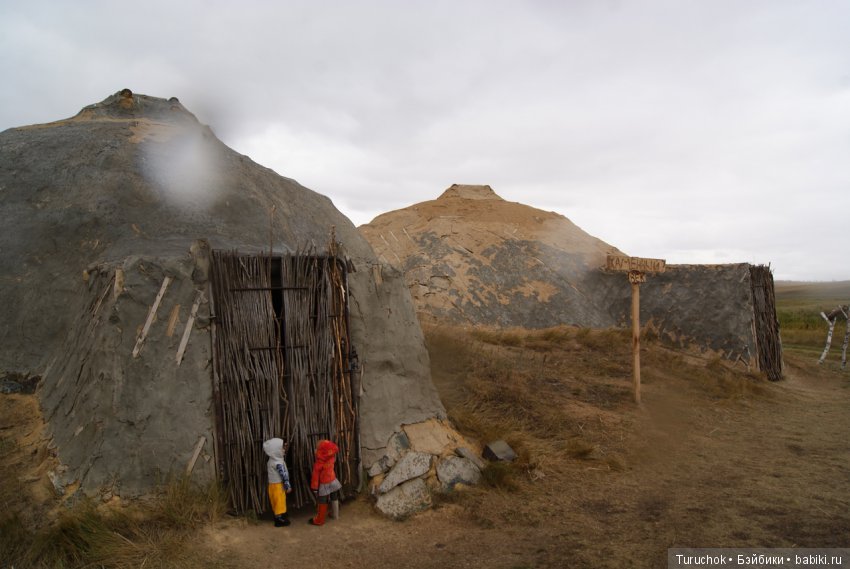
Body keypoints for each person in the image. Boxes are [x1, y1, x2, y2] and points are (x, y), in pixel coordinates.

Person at [308, 439, 342, 526]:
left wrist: (315, 488)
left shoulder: (319, 464)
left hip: (324, 483)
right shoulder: (332, 458)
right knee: (334, 496)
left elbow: (315, 477)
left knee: (322, 500)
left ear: (321, 452)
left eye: (317, 448)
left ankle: (320, 520)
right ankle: (335, 514)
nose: (315, 450)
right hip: (333, 480)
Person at [263, 438, 293, 527]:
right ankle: (279, 519)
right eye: (282, 448)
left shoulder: (271, 460)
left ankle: (280, 515)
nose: (284, 450)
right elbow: (284, 475)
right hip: (278, 486)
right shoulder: (278, 463)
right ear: (276, 451)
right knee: (280, 501)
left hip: (272, 485)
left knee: (275, 501)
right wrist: (287, 486)